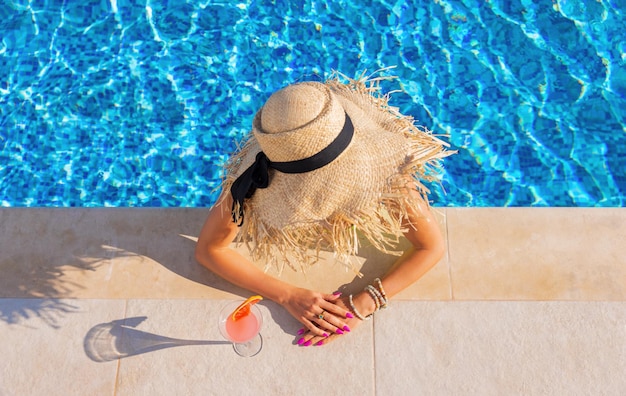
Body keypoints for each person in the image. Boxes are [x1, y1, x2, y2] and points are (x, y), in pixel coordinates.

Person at [195, 71, 452, 347]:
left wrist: (364, 304)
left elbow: (431, 247)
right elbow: (209, 249)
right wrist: (287, 295)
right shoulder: (254, 181)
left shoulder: (386, 176)